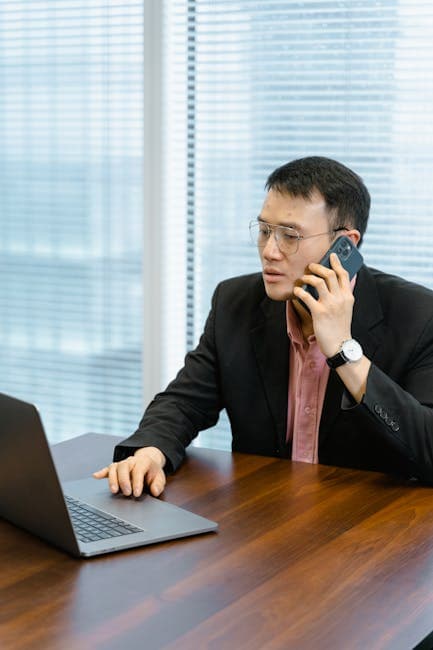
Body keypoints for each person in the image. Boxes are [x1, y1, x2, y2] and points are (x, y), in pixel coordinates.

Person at [94, 156, 433, 497]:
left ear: (345, 244)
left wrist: (344, 351)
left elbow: (428, 450)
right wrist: (152, 451)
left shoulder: (417, 316)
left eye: (290, 236)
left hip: (366, 531)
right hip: (263, 520)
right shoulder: (235, 303)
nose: (270, 251)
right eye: (266, 231)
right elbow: (184, 402)